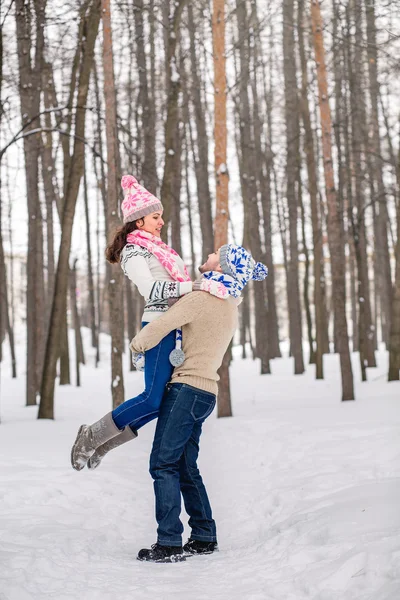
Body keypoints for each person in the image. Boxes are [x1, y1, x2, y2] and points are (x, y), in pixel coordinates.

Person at [70, 175, 226, 472]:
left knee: (161, 404)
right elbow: (152, 290)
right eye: (156, 216)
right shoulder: (133, 252)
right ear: (139, 221)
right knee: (152, 399)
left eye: (161, 216)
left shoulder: (162, 251)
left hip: (176, 329)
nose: (161, 221)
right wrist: (195, 287)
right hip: (158, 327)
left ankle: (103, 444)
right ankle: (91, 435)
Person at [129, 244, 268, 563]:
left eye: (216, 254)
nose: (208, 255)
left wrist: (137, 346)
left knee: (162, 463)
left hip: (185, 389)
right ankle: (204, 535)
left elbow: (159, 326)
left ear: (222, 268)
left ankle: (168, 543)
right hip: (206, 393)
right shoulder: (230, 303)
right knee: (185, 465)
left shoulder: (202, 297)